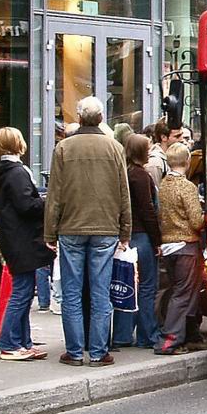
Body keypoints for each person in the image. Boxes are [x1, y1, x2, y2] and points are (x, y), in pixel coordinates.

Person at [44, 96, 131, 367]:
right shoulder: (114, 147)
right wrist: (125, 230)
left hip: (71, 227)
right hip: (105, 227)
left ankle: (74, 351)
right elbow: (123, 192)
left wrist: (50, 232)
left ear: (79, 118)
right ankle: (98, 351)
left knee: (71, 292)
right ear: (102, 118)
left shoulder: (64, 148)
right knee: (100, 291)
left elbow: (54, 195)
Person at [0, 127, 54, 360]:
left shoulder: (2, 170)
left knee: (24, 291)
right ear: (18, 143)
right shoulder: (17, 172)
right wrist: (48, 201)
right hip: (23, 239)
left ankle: (23, 342)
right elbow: (27, 206)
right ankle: (9, 343)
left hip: (12, 237)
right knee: (21, 293)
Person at [111, 134, 162, 350]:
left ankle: (122, 334)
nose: (150, 151)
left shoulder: (122, 173)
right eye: (147, 147)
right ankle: (147, 334)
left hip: (125, 236)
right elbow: (148, 210)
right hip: (141, 235)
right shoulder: (141, 176)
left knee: (125, 286)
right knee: (147, 287)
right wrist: (157, 239)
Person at [155, 143, 205, 355]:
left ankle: (189, 335)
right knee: (184, 294)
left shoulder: (164, 184)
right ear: (187, 161)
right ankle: (169, 340)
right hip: (186, 245)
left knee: (179, 291)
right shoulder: (187, 187)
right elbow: (196, 221)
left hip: (168, 246)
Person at [145, 118, 184, 188]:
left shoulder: (177, 157)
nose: (182, 139)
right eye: (177, 136)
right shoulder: (155, 163)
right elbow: (155, 194)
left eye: (182, 135)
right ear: (163, 137)